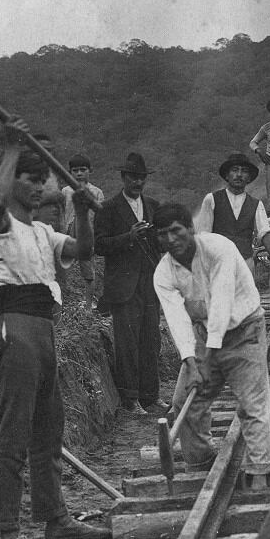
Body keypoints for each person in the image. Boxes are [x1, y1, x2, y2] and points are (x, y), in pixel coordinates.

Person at [0, 118, 110, 539]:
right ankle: (6, 532)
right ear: (14, 180)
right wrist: (13, 148)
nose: (38, 188)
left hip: (43, 328)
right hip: (12, 323)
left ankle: (55, 519)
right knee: (14, 430)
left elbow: (84, 251)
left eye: (42, 181)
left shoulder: (42, 232)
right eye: (30, 180)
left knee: (49, 429)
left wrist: (85, 211)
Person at [153, 203, 270, 489]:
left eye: (176, 231)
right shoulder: (163, 273)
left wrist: (207, 359)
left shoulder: (218, 248)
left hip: (243, 330)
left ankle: (261, 468)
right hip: (202, 334)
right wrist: (191, 362)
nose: (171, 240)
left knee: (251, 402)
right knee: (185, 403)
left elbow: (221, 303)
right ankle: (201, 463)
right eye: (163, 234)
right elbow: (177, 319)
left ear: (190, 229)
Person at [94, 152, 165, 415]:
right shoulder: (107, 208)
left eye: (141, 178)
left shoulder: (154, 206)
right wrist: (129, 236)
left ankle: (151, 396)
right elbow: (98, 245)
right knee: (127, 343)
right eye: (133, 178)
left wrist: (155, 237)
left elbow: (161, 241)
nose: (137, 182)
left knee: (151, 340)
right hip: (123, 287)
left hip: (149, 283)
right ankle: (130, 399)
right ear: (123, 178)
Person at [194, 152, 270, 278]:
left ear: (249, 178)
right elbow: (203, 236)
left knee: (246, 297)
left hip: (245, 264)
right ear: (227, 176)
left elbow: (265, 234)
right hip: (217, 264)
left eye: (244, 171)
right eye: (234, 170)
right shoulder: (211, 199)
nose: (239, 175)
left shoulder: (256, 204)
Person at [61, 153, 104, 308]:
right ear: (70, 172)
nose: (79, 173)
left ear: (89, 171)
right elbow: (62, 213)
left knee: (88, 272)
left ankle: (88, 305)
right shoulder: (65, 191)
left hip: (86, 234)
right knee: (62, 269)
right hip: (67, 233)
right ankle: (61, 304)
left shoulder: (96, 192)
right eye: (75, 170)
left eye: (82, 169)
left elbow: (100, 217)